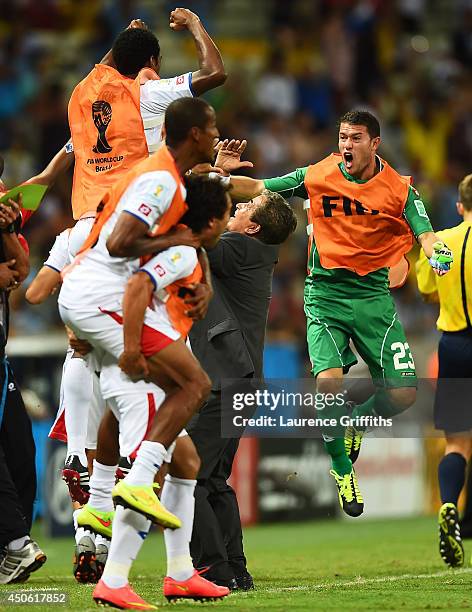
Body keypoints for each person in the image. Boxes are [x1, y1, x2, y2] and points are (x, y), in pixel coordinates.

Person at [26, 8, 226, 502]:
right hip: (126, 223)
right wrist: (196, 25)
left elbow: (101, 79)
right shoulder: (149, 94)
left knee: (79, 345)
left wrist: (123, 43)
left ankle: (77, 455)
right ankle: (139, 462)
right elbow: (215, 72)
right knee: (141, 357)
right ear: (150, 63)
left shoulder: (80, 93)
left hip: (80, 227)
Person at [215, 110, 453, 517]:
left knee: (403, 394)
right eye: (343, 136)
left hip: (373, 296)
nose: (346, 145)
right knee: (327, 384)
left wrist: (438, 253)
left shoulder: (399, 190)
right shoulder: (318, 174)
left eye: (356, 138)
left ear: (374, 143)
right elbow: (257, 185)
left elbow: (426, 235)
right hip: (324, 294)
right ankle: (342, 469)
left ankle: (358, 419)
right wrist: (218, 176)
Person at [88, 174, 232, 609]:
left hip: (142, 367)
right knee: (147, 476)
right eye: (226, 215)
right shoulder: (181, 251)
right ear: (211, 220)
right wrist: (132, 352)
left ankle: (181, 573)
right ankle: (113, 578)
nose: (228, 222)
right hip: (142, 369)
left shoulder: (188, 250)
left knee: (186, 460)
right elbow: (138, 287)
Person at [187, 190, 297, 590]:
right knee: (213, 479)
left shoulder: (236, 247)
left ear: (252, 227)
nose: (238, 205)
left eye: (247, 207)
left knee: (188, 475)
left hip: (224, 381)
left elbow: (190, 232)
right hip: (240, 380)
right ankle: (235, 568)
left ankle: (213, 569)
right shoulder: (252, 251)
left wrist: (210, 176)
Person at [416, 173, 472, 568]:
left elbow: (425, 290)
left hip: (454, 346)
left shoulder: (440, 241)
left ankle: (449, 504)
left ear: (459, 204)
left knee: (457, 444)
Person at [0, 170, 46, 584]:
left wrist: (10, 229)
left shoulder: (6, 218)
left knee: (19, 451)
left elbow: (18, 271)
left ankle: (16, 544)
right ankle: (15, 542)